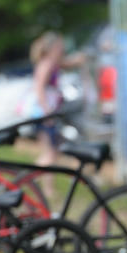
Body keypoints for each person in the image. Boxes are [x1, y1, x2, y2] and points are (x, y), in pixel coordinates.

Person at [27, 31, 86, 196]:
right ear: (52, 48)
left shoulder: (53, 63)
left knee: (57, 150)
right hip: (44, 114)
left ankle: (33, 180)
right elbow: (38, 88)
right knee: (49, 154)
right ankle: (41, 186)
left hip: (48, 113)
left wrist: (80, 59)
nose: (62, 49)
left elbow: (67, 63)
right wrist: (46, 113)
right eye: (60, 46)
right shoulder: (46, 65)